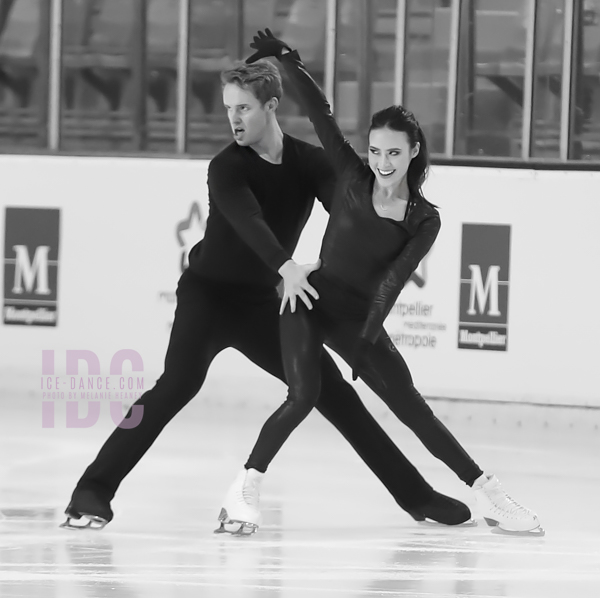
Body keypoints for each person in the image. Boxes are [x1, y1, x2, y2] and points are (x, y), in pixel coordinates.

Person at [60, 57, 472, 534]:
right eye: (228, 108)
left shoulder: (309, 162)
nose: (233, 119)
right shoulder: (226, 168)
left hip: (264, 301)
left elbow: (353, 207)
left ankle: (416, 496)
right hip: (209, 296)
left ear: (271, 106)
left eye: (244, 108)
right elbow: (249, 223)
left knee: (333, 392)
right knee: (175, 386)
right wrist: (287, 267)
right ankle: (92, 491)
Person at [223, 29, 544, 537]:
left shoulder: (424, 219)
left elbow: (390, 284)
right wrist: (287, 61)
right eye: (375, 151)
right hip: (307, 301)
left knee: (412, 409)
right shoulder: (351, 177)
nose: (382, 163)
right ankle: (244, 489)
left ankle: (491, 495)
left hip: (360, 321)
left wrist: (367, 341)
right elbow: (320, 115)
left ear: (413, 152)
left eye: (393, 153)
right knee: (304, 394)